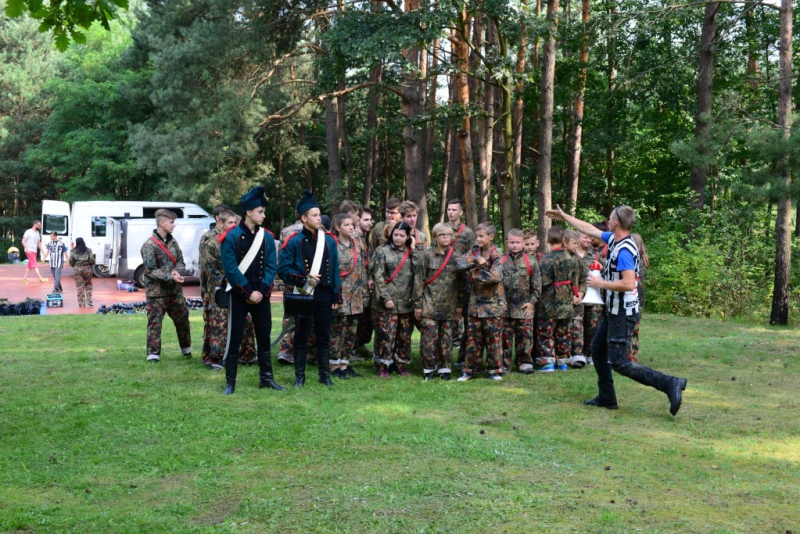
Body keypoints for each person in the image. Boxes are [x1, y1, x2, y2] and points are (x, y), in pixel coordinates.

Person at [545, 204, 687, 416]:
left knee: (619, 362)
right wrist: (565, 217)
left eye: (610, 217)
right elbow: (588, 229)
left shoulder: (625, 250)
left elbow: (628, 283)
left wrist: (600, 283)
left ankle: (669, 383)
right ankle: (607, 397)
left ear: (615, 222)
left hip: (623, 313)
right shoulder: (614, 239)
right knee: (597, 348)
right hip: (613, 310)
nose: (607, 220)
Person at [220, 187, 282, 394]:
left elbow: (271, 267)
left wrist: (261, 291)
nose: (263, 215)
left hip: (261, 294)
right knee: (235, 337)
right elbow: (231, 269)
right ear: (248, 212)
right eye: (260, 212)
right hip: (239, 294)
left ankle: (267, 379)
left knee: (263, 335)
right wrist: (249, 293)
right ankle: (230, 382)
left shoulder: (267, 237)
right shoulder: (231, 237)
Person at [278, 190, 341, 387]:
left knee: (324, 335)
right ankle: (300, 377)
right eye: (314, 215)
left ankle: (324, 376)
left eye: (319, 214)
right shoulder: (293, 241)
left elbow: (335, 270)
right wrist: (304, 279)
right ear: (304, 218)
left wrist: (336, 296)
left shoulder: (329, 240)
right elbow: (283, 269)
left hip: (324, 294)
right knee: (301, 335)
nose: (319, 218)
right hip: (304, 294)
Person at [199, 207, 257, 370]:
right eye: (230, 223)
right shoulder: (211, 242)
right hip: (220, 288)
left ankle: (247, 355)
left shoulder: (238, 239)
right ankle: (216, 358)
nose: (234, 225)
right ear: (220, 223)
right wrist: (225, 284)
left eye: (235, 223)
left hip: (239, 287)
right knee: (220, 324)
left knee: (246, 320)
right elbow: (209, 269)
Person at [415, 222, 466, 380]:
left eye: (448, 234)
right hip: (429, 304)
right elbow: (418, 281)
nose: (446, 237)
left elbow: (462, 284)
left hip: (449, 306)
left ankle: (445, 368)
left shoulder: (457, 256)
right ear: (435, 237)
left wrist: (460, 305)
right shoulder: (426, 255)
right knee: (429, 339)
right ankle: (428, 369)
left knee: (446, 339)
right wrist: (417, 305)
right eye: (442, 235)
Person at [140, 209, 192, 363]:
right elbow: (150, 270)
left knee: (183, 320)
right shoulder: (149, 245)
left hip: (175, 291)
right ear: (162, 223)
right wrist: (170, 276)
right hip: (157, 293)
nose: (174, 225)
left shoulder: (173, 242)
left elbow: (181, 261)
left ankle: (186, 350)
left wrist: (177, 271)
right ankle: (153, 355)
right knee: (155, 323)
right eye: (171, 222)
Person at [370, 221, 420, 378]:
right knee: (386, 334)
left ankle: (400, 364)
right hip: (387, 302)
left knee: (404, 335)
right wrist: (386, 297)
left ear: (408, 237)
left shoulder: (413, 252)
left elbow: (420, 271)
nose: (398, 238)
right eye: (395, 235)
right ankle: (383, 365)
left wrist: (413, 248)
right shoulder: (382, 251)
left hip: (406, 302)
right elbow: (378, 276)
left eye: (402, 236)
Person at [457, 222, 506, 382]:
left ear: (491, 237)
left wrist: (476, 274)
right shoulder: (474, 250)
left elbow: (495, 277)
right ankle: (469, 369)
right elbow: (460, 263)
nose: (477, 239)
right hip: (475, 305)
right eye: (477, 236)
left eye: (481, 236)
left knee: (493, 340)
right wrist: (477, 260)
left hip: (492, 305)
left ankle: (494, 370)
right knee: (473, 339)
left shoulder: (496, 254)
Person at [537, 226, 583, 372]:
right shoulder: (571, 259)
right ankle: (563, 361)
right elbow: (575, 280)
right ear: (564, 240)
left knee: (546, 332)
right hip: (567, 299)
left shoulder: (546, 260)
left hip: (549, 300)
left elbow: (543, 282)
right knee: (564, 331)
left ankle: (548, 362)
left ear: (547, 240)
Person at [330, 213, 366, 379]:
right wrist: (333, 296)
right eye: (346, 225)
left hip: (355, 297)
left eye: (352, 224)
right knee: (337, 332)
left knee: (351, 332)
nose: (351, 227)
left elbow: (362, 269)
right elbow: (330, 273)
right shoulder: (333, 246)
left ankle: (345, 364)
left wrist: (364, 294)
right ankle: (334, 365)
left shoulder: (358, 244)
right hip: (341, 296)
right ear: (338, 227)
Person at [501, 228, 541, 374]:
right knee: (504, 338)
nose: (515, 245)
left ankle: (524, 362)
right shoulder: (501, 261)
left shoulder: (531, 262)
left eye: (518, 242)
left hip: (524, 308)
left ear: (523, 243)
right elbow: (497, 285)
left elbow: (537, 286)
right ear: (507, 243)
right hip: (506, 308)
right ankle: (504, 363)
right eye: (512, 242)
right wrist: (500, 302)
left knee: (525, 337)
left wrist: (532, 303)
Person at [276, 217, 305, 365]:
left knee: (289, 317)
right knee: (307, 317)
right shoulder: (317, 231)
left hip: (290, 279)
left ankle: (285, 350)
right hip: (308, 281)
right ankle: (305, 350)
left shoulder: (286, 231)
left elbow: (280, 257)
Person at [566, 230, 590, 368]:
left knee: (577, 327)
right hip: (562, 300)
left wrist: (580, 293)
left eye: (577, 243)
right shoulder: (558, 258)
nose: (576, 246)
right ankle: (564, 355)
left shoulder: (578, 260)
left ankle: (577, 355)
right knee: (564, 328)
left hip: (577, 300)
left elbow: (584, 279)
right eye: (574, 243)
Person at [353, 206, 375, 359]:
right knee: (355, 319)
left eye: (370, 220)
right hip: (355, 288)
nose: (369, 223)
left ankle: (359, 346)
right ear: (357, 221)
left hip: (363, 287)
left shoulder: (363, 238)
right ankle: (352, 348)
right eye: (366, 220)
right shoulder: (354, 238)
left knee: (364, 319)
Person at [627, 233, 649, 363]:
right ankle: (631, 354)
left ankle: (632, 354)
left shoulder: (639, 262)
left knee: (633, 327)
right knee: (633, 327)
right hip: (637, 296)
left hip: (636, 296)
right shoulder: (640, 260)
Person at [68, 238, 94, 307]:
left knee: (80, 286)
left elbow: (71, 261)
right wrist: (89, 265)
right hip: (87, 269)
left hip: (77, 269)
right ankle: (89, 300)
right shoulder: (88, 250)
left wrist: (75, 266)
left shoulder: (73, 251)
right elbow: (92, 260)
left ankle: (82, 304)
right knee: (88, 284)